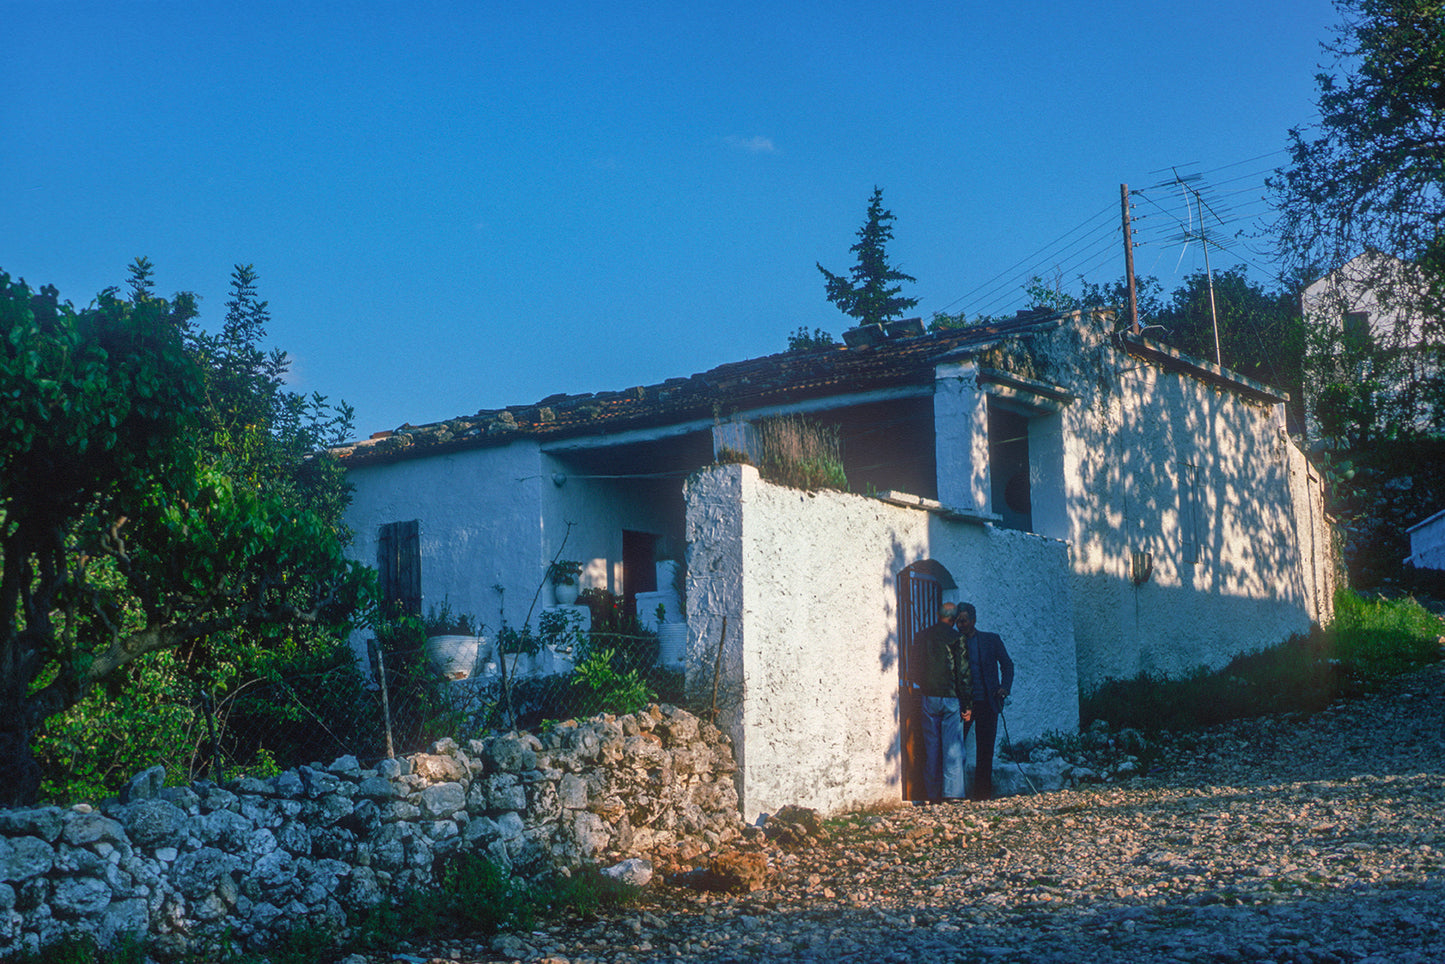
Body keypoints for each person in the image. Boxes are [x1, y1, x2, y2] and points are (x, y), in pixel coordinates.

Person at [913, 602, 972, 804]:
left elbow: (914, 670)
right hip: (951, 698)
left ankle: (932, 794)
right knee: (952, 747)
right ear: (954, 619)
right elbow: (963, 674)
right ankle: (952, 794)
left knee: (931, 747)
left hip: (929, 697)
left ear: (938, 615)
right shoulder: (957, 638)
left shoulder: (921, 636)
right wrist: (968, 704)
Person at [956, 602, 1014, 801]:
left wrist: (1004, 688)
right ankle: (956, 794)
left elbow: (1007, 665)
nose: (960, 625)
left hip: (988, 703)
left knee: (985, 750)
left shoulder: (991, 640)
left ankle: (982, 796)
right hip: (964, 706)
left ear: (973, 620)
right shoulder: (954, 643)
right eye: (957, 621)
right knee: (955, 748)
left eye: (963, 621)